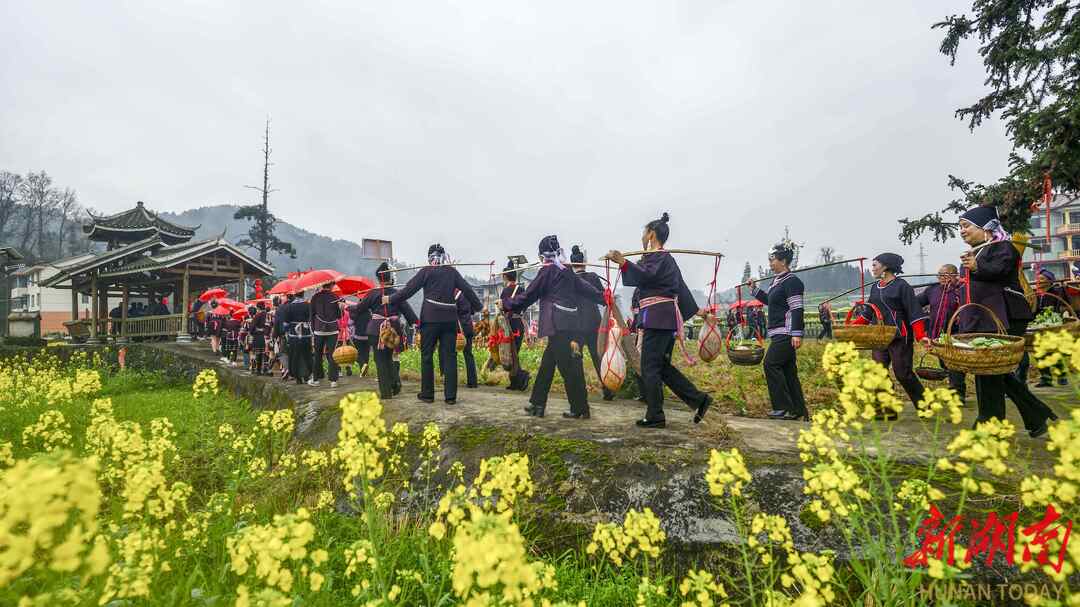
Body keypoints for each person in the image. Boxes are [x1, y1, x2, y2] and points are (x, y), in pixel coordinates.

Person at [955, 206, 1058, 438]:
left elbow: (1001, 270)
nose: (962, 231)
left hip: (1003, 316)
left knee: (990, 372)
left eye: (966, 226)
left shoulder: (1004, 247)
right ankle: (1035, 414)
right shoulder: (978, 251)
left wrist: (977, 267)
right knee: (993, 371)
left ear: (987, 228)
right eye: (960, 227)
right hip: (985, 318)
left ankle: (990, 425)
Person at [607, 213, 713, 428]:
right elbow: (680, 288)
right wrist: (698, 311)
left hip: (657, 317)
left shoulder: (659, 257)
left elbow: (647, 276)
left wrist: (623, 263)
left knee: (649, 366)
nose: (642, 237)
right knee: (660, 366)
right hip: (664, 318)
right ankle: (698, 399)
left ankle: (655, 414)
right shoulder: (662, 259)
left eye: (644, 232)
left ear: (651, 234)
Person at [503, 235, 600, 418]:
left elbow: (529, 295)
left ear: (542, 256)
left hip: (557, 325)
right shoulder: (567, 270)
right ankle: (537, 404)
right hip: (572, 323)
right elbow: (585, 288)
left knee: (568, 368)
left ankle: (580, 408)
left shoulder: (547, 271)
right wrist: (603, 297)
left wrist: (507, 304)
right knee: (548, 365)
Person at [387, 244, 482, 405]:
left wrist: (389, 299)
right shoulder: (452, 272)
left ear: (429, 258)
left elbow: (408, 290)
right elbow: (467, 289)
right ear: (444, 257)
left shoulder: (425, 271)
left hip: (430, 319)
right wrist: (479, 307)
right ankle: (450, 397)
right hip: (450, 320)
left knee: (426, 356)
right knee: (450, 357)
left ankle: (427, 394)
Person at [853, 253, 927, 419]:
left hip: (899, 337)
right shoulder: (875, 287)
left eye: (875, 265)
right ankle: (887, 409)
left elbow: (914, 312)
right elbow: (868, 313)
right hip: (879, 337)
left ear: (885, 267)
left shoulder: (902, 286)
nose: (872, 268)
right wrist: (851, 327)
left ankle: (924, 405)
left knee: (903, 373)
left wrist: (921, 335)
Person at [748, 243, 809, 421]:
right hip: (778, 332)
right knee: (788, 371)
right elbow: (771, 301)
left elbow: (797, 308)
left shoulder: (792, 281)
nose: (770, 263)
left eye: (772, 260)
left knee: (771, 364)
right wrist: (754, 290)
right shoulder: (777, 281)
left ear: (783, 261)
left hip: (787, 332)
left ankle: (782, 407)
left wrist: (797, 333)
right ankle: (798, 410)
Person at [353, 262, 418, 399]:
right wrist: (417, 324)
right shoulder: (397, 294)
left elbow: (359, 309)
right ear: (391, 278)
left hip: (375, 331)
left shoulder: (372, 294)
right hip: (393, 331)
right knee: (389, 357)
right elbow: (409, 313)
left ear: (379, 279)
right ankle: (395, 384)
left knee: (380, 360)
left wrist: (346, 308)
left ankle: (386, 392)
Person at [570, 245, 616, 401]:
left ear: (571, 264)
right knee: (598, 357)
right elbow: (603, 299)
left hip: (575, 325)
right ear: (583, 262)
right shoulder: (593, 277)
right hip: (593, 323)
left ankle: (578, 391)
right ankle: (607, 389)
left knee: (576, 357)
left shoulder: (569, 280)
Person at [918, 264, 966, 401]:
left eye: (946, 274)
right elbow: (916, 303)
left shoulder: (961, 290)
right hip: (938, 333)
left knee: (954, 363)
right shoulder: (932, 290)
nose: (941, 277)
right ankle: (955, 386)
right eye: (939, 274)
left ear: (955, 275)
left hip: (957, 333)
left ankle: (957, 393)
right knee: (944, 363)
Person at [1027, 269, 1070, 387]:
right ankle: (1046, 378)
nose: (1039, 282)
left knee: (1054, 351)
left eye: (1042, 279)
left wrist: (1059, 314)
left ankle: (1062, 376)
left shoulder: (1057, 292)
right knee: (1039, 352)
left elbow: (1065, 305)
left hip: (1053, 326)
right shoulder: (1038, 294)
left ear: (1050, 281)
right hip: (1039, 326)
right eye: (1038, 279)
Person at [499, 260, 531, 391]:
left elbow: (501, 309)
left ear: (505, 276)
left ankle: (521, 377)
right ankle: (516, 381)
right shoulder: (521, 289)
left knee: (511, 352)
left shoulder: (505, 292)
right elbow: (525, 304)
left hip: (508, 324)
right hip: (518, 323)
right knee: (514, 352)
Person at [309, 281, 342, 388]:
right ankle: (333, 380)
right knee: (333, 354)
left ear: (322, 285)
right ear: (332, 285)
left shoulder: (315, 297)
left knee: (318, 354)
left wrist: (314, 329)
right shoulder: (335, 297)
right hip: (333, 329)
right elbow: (339, 316)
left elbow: (311, 315)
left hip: (319, 329)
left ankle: (316, 379)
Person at [278, 289, 313, 385]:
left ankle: (297, 377)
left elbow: (285, 324)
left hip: (293, 335)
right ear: (303, 294)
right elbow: (311, 319)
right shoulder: (308, 305)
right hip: (306, 334)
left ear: (295, 295)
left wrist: (286, 331)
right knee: (307, 355)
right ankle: (307, 375)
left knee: (295, 356)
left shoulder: (289, 307)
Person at [455, 289, 479, 388]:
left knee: (452, 354)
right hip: (468, 326)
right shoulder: (468, 295)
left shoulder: (454, 296)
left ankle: (451, 380)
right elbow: (472, 311)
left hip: (457, 328)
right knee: (468, 354)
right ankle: (472, 381)